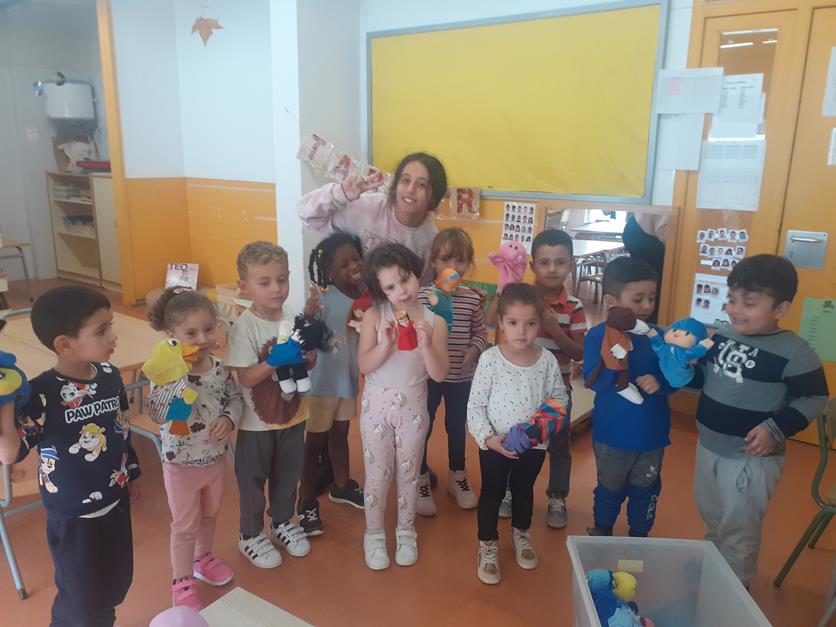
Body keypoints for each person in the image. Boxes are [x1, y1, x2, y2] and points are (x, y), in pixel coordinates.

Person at [0, 286, 141, 626]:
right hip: (74, 516)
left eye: (110, 326)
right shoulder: (42, 394)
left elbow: (120, 429)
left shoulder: (110, 377)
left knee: (115, 583)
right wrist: (5, 400)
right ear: (65, 344)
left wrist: (133, 473)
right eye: (102, 330)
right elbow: (10, 453)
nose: (113, 337)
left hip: (115, 500)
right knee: (80, 601)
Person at [691, 255, 828, 586]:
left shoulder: (795, 352)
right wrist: (679, 368)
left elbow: (815, 397)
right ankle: (715, 564)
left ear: (780, 309)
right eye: (731, 300)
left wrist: (775, 429)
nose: (735, 309)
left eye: (748, 303)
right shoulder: (722, 335)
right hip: (708, 445)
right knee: (712, 513)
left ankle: (735, 585)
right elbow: (704, 378)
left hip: (749, 457)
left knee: (739, 526)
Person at [147, 288, 242, 610]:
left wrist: (228, 419)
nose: (202, 339)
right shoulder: (165, 373)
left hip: (214, 459)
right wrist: (176, 382)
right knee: (185, 525)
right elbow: (158, 414)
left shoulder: (220, 368)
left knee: (210, 514)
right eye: (191, 333)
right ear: (170, 335)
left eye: (209, 329)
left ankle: (203, 559)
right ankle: (182, 580)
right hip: (181, 464)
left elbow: (235, 399)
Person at [468, 283, 569, 585]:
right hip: (494, 445)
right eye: (513, 323)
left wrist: (536, 431)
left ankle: (521, 535)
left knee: (524, 491)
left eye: (530, 323)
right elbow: (475, 405)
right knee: (492, 492)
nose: (521, 332)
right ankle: (488, 544)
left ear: (540, 324)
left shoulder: (547, 361)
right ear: (501, 322)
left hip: (533, 448)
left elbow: (559, 399)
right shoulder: (490, 360)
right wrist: (488, 438)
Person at [357, 243, 448, 570]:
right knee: (377, 473)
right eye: (390, 287)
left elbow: (439, 373)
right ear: (380, 291)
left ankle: (406, 531)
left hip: (413, 406)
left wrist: (426, 345)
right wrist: (385, 345)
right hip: (376, 406)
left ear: (415, 273)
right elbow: (364, 364)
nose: (401, 291)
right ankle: (374, 534)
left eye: (405, 279)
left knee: (410, 473)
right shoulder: (374, 317)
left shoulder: (436, 321)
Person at [226, 242, 314, 569]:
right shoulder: (244, 327)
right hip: (256, 425)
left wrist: (308, 358)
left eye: (282, 279)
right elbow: (247, 377)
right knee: (252, 482)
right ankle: (250, 534)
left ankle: (281, 522)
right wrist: (274, 361)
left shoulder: (294, 317)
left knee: (288, 475)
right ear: (245, 286)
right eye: (265, 282)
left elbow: (308, 359)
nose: (276, 289)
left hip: (294, 416)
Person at [495, 229, 586, 528]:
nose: (552, 269)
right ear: (533, 265)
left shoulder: (573, 307)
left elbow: (579, 352)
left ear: (571, 263)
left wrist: (553, 327)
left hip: (557, 393)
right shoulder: (519, 299)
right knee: (516, 440)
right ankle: (510, 490)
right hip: (519, 391)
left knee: (559, 448)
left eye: (560, 262)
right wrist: (503, 283)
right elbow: (492, 322)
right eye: (544, 262)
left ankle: (557, 496)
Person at [584, 257, 674, 538]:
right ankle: (602, 528)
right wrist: (616, 356)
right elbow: (595, 382)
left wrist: (661, 382)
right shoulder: (597, 336)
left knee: (646, 488)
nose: (647, 306)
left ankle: (640, 535)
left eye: (652, 297)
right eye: (638, 299)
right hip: (612, 435)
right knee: (609, 487)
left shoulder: (658, 336)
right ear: (612, 301)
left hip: (651, 435)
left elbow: (676, 377)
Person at [296, 233, 366, 536]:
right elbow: (304, 333)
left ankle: (341, 485)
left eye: (356, 259)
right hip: (320, 385)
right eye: (344, 264)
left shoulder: (367, 297)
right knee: (314, 443)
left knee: (341, 434)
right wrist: (308, 315)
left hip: (346, 381)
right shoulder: (323, 297)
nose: (353, 266)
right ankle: (306, 500)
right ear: (330, 271)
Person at [415, 228, 487, 516]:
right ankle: (420, 476)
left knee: (457, 428)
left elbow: (480, 333)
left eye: (460, 260)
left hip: (461, 377)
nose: (453, 267)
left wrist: (474, 350)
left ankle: (458, 475)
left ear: (468, 264)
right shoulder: (422, 297)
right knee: (423, 425)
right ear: (433, 262)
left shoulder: (472, 299)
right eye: (446, 259)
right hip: (428, 379)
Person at [297, 152, 448, 269]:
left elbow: (425, 289)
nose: (410, 190)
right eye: (405, 180)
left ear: (433, 198)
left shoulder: (430, 240)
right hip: (353, 296)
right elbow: (306, 213)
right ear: (395, 186)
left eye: (421, 185)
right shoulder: (367, 207)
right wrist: (340, 193)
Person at [622, 212, 668, 324]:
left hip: (642, 232)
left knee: (647, 294)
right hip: (647, 237)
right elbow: (667, 234)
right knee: (648, 292)